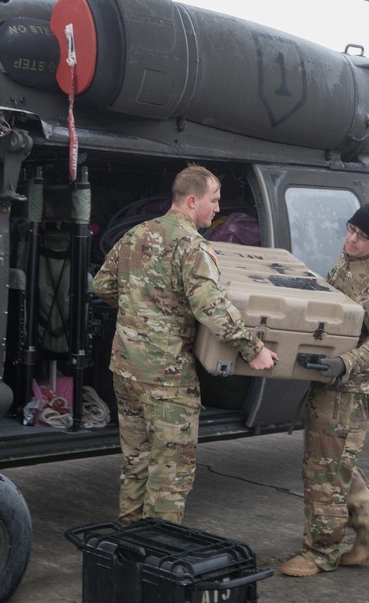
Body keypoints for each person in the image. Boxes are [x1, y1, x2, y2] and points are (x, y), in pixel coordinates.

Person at [92, 165, 277, 525]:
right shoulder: (192, 246)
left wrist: (139, 307)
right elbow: (211, 306)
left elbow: (102, 286)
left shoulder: (136, 234)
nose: (217, 208)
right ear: (193, 201)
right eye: (214, 200)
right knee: (170, 472)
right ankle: (158, 552)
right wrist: (253, 348)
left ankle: (129, 543)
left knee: (136, 462)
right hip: (166, 377)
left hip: (126, 369)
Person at [281, 200, 369, 576]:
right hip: (332, 383)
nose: (352, 240)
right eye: (351, 230)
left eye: (363, 237)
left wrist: (345, 363)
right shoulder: (350, 261)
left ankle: (321, 553)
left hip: (349, 390)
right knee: (337, 464)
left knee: (325, 472)